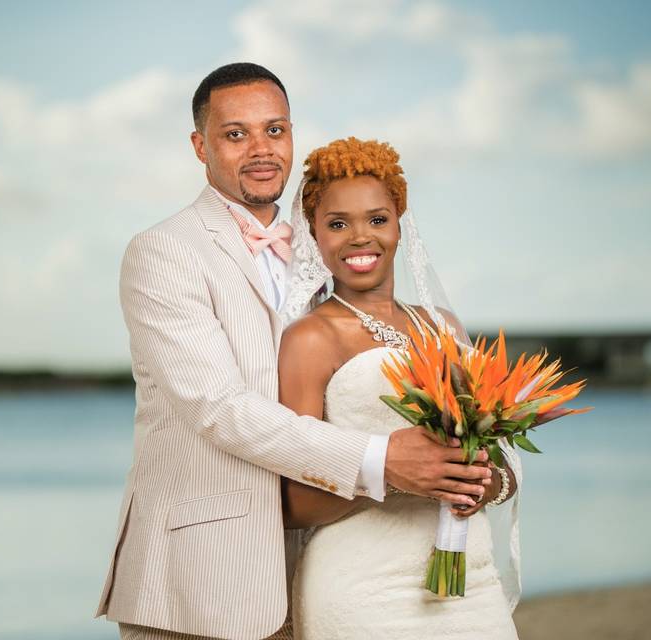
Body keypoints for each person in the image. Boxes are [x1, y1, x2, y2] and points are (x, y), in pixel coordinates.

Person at [93, 63, 492, 640]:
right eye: (236, 134)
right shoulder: (164, 251)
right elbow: (218, 406)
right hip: (204, 577)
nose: (261, 149)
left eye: (275, 130)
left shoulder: (324, 249)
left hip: (319, 574)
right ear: (199, 145)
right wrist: (385, 461)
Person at [278, 137, 521, 639]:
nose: (360, 237)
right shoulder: (309, 338)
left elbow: (499, 468)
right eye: (338, 223)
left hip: (471, 585)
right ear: (314, 235)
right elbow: (294, 503)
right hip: (365, 590)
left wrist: (480, 482)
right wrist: (396, 474)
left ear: (400, 224)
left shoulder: (444, 325)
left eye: (378, 219)